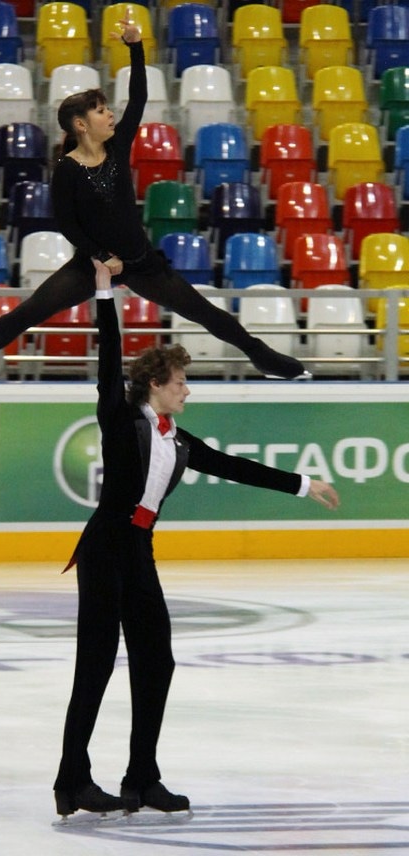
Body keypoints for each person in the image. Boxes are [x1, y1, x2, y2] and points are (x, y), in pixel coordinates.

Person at [53, 260, 339, 819]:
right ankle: (72, 780)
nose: (187, 389)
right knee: (96, 662)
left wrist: (304, 485)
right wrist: (106, 294)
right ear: (156, 385)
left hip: (138, 549)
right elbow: (109, 364)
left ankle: (142, 778)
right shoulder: (121, 419)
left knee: (156, 660)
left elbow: (234, 467)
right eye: (180, 382)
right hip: (106, 546)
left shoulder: (179, 440)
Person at [0, 20, 307, 393]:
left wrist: (135, 48)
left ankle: (264, 357)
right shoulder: (67, 169)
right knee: (24, 314)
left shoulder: (118, 147)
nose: (110, 114)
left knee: (206, 312)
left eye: (106, 108)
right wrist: (101, 257)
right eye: (101, 111)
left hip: (140, 261)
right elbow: (68, 224)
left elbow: (138, 97)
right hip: (92, 263)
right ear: (80, 125)